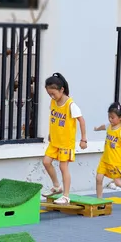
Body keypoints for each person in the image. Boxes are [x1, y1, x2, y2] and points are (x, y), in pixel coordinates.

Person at [42, 73, 87, 205]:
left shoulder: (70, 104)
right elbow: (54, 118)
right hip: (55, 141)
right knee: (46, 162)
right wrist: (51, 133)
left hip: (66, 143)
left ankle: (66, 195)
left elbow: (81, 121)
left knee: (63, 167)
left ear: (62, 90)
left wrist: (83, 139)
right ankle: (57, 186)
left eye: (53, 93)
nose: (51, 96)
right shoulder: (53, 101)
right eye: (49, 94)